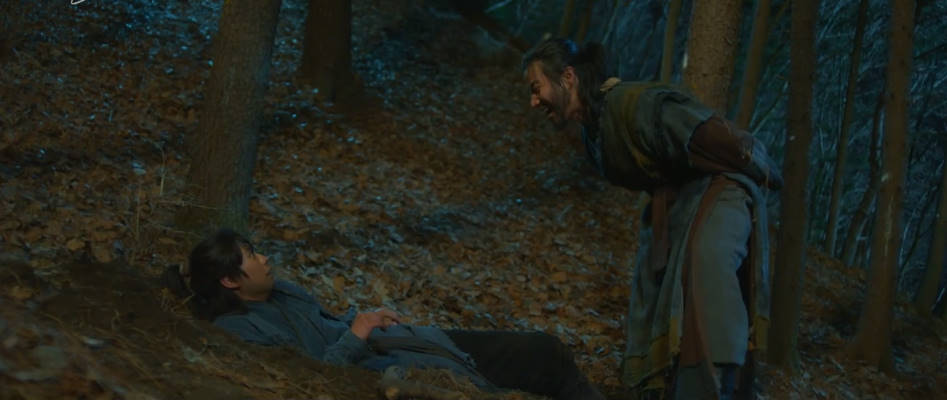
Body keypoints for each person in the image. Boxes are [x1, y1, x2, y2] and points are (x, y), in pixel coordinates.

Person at [521, 38, 783, 399]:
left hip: (723, 188)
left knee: (706, 266)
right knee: (653, 301)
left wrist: (763, 167)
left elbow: (709, 135)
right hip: (678, 206)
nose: (534, 101)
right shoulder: (594, 137)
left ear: (568, 77)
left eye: (537, 88)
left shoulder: (633, 104)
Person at [177, 228, 605, 400]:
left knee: (544, 352)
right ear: (229, 280)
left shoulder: (280, 292)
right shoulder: (241, 329)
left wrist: (364, 321)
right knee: (539, 363)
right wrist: (357, 334)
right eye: (252, 256)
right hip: (399, 368)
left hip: (416, 343)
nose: (265, 259)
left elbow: (328, 324)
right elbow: (309, 379)